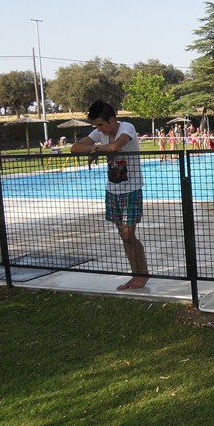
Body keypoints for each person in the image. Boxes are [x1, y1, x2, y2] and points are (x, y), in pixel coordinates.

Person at [71, 101, 148, 290]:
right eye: (96, 125)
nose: (99, 129)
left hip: (131, 190)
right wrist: (95, 148)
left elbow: (115, 147)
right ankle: (136, 274)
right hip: (112, 191)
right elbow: (74, 148)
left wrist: (97, 149)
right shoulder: (99, 133)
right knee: (123, 235)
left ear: (112, 120)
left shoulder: (127, 128)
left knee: (128, 234)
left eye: (101, 124)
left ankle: (143, 273)